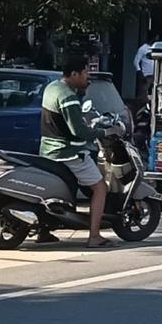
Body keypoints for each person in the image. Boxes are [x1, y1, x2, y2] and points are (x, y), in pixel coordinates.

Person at [39, 54, 112, 247]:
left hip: (48, 149)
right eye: (85, 72)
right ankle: (94, 235)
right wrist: (103, 131)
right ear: (74, 74)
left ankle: (43, 231)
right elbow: (78, 131)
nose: (88, 76)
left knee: (56, 191)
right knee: (100, 187)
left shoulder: (52, 88)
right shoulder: (68, 97)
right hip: (68, 152)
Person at [134, 31, 158, 106]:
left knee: (154, 94)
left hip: (155, 74)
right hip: (146, 75)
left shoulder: (155, 48)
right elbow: (135, 61)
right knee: (143, 95)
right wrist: (140, 72)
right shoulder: (142, 48)